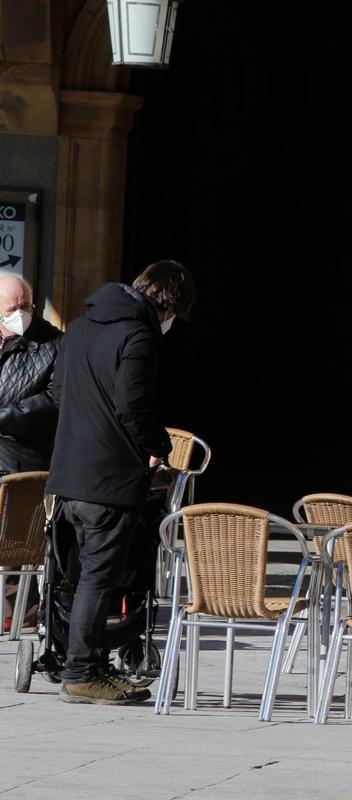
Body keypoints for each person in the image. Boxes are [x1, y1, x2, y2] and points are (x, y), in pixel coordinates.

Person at [48, 260, 196, 705]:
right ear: (169, 306)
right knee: (99, 576)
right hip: (108, 477)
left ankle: (82, 664)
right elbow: (133, 405)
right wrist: (157, 446)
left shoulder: (78, 327)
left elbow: (57, 390)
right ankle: (82, 672)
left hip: (68, 473)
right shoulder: (139, 334)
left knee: (78, 575)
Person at [0, 273, 63, 633]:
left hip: (23, 455)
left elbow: (53, 400)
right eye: (12, 308)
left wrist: (4, 418)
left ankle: (23, 607)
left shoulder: (53, 344)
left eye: (26, 305)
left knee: (18, 534)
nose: (21, 313)